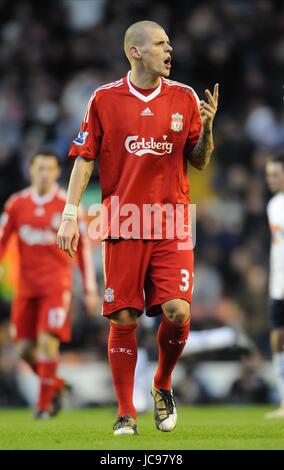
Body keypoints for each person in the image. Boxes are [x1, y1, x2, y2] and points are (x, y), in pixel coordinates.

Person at [57, 20, 218, 435]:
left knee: (178, 309)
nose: (170, 49)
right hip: (123, 221)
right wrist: (70, 214)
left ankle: (162, 383)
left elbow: (198, 160)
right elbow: (84, 158)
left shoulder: (183, 97)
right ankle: (126, 411)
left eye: (169, 43)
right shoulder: (104, 98)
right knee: (124, 317)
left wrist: (209, 127)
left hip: (172, 221)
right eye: (162, 43)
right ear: (136, 51)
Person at [0, 150, 99, 419]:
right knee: (23, 349)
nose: (44, 173)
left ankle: (44, 407)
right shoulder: (16, 204)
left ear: (57, 173)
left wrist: (89, 289)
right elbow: (2, 241)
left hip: (57, 286)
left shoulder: (66, 207)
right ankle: (55, 385)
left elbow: (85, 250)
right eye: (39, 168)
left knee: (47, 342)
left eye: (50, 169)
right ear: (30, 170)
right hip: (26, 287)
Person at [265, 152, 284, 419]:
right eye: (268, 174)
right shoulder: (274, 204)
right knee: (278, 340)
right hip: (278, 284)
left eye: (275, 174)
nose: (270, 179)